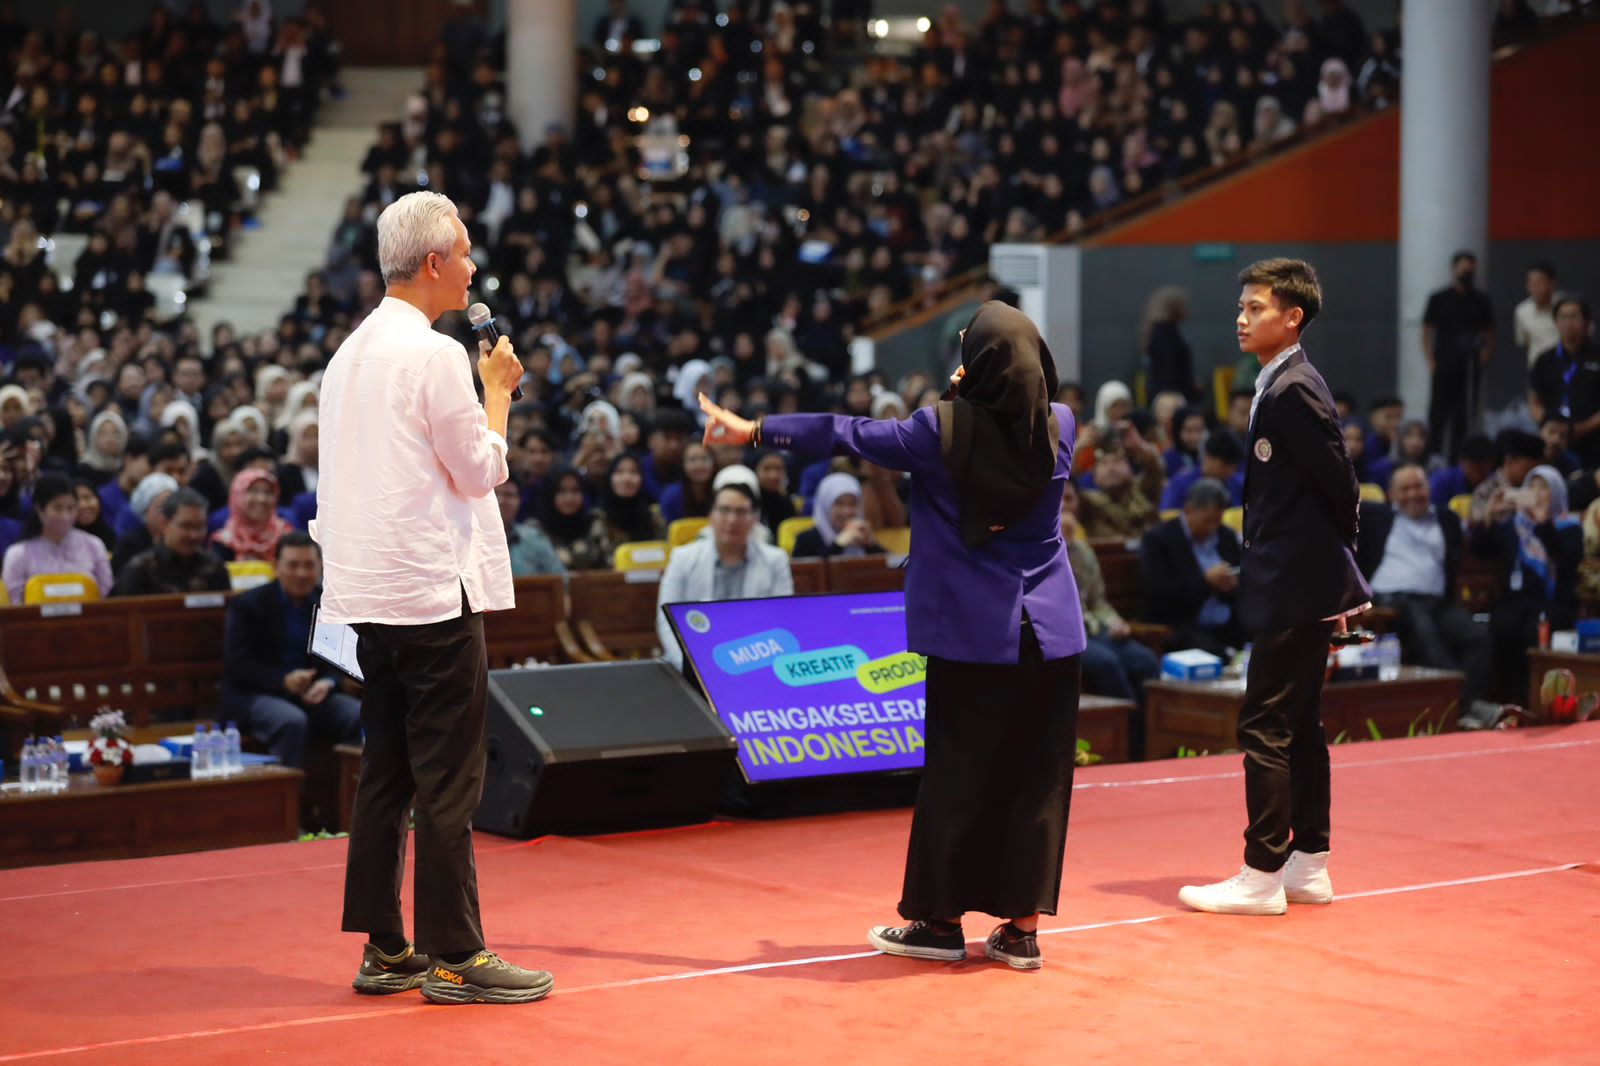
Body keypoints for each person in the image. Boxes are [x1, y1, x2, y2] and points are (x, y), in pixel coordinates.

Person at [703, 300, 1085, 972]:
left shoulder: (938, 431)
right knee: (1037, 780)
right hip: (1051, 633)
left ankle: (939, 923)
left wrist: (755, 429)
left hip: (974, 632)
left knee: (958, 777)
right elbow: (1007, 426)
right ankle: (1020, 931)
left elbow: (846, 433)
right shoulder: (1060, 424)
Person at [314, 191, 551, 1005]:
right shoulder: (436, 354)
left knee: (386, 772)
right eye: (466, 250)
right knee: (449, 780)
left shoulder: (346, 356)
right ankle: (456, 954)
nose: (476, 263)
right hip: (430, 593)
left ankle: (386, 947)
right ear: (435, 264)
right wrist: (500, 395)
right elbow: (479, 469)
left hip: (367, 593)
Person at [1180, 258, 1369, 916]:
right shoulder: (1279, 382)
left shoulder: (1294, 387)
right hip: (1296, 579)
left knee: (1264, 721)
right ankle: (1307, 864)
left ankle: (1261, 872)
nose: (1242, 316)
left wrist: (1333, 575)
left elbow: (1342, 486)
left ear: (1292, 317)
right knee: (1298, 722)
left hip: (1295, 583)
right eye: (1241, 306)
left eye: (1255, 307)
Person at [1356, 464, 1492, 723]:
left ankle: (1461, 706)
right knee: (1424, 629)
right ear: (1391, 495)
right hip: (1393, 598)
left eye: (1418, 486)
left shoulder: (1447, 518)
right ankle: (1460, 706)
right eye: (1404, 489)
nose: (1413, 494)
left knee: (1477, 636)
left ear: (1429, 488)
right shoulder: (1376, 517)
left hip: (1437, 601)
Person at [222, 533, 363, 770]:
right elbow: (238, 664)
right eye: (293, 565)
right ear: (276, 567)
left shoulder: (328, 603)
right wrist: (283, 681)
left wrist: (329, 682)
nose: (301, 573)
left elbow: (343, 660)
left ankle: (343, 796)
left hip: (313, 695)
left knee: (358, 714)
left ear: (320, 568)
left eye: (309, 565)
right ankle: (289, 801)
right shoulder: (248, 605)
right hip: (258, 695)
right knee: (291, 721)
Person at [1061, 479, 1159, 752]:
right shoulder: (1037, 550)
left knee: (1144, 660)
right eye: (1057, 499)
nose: (1063, 506)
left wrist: (1115, 622)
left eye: (1069, 499)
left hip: (1094, 628)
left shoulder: (1083, 550)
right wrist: (1059, 550)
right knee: (1107, 663)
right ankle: (1129, 740)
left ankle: (1151, 738)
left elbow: (1098, 601)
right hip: (1064, 632)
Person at [1471, 464, 1581, 704]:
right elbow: (1481, 550)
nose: (1536, 492)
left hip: (1554, 603)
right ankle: (1508, 700)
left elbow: (1565, 559)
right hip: (1516, 600)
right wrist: (1489, 516)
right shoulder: (1515, 525)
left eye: (1544, 487)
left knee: (1533, 630)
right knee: (1503, 625)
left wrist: (1544, 524)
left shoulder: (1569, 527)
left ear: (1557, 493)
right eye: (1532, 486)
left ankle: (1534, 700)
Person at [654, 482, 794, 669]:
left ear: (754, 518)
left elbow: (781, 619)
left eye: (741, 512)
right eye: (724, 510)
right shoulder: (683, 558)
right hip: (694, 661)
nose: (732, 520)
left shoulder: (775, 560)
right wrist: (689, 665)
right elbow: (666, 621)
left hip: (757, 661)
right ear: (711, 515)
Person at [1141, 478, 1245, 656]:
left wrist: (1232, 584)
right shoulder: (1159, 540)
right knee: (1214, 651)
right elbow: (1159, 595)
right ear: (1188, 510)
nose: (1213, 528)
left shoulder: (1226, 535)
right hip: (1182, 624)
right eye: (1207, 520)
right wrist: (1206, 582)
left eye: (1217, 521)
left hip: (1228, 620)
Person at [1422, 251, 1495, 462]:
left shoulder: (1481, 300)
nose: (1466, 273)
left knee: (1463, 417)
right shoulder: (1439, 298)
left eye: (1470, 269)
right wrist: (1430, 358)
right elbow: (1427, 329)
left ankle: (1457, 458)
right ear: (1454, 269)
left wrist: (1486, 353)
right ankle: (1434, 456)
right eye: (1463, 268)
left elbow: (1489, 331)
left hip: (1469, 366)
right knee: (1437, 413)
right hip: (1443, 364)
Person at [2, 474, 115, 603]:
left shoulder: (93, 545)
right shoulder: (18, 554)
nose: (65, 516)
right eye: (57, 508)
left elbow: (106, 594)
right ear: (40, 509)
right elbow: (15, 604)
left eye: (71, 508)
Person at [111, 489, 231, 596]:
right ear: (164, 524)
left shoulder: (214, 567)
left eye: (200, 527)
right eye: (186, 526)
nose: (194, 535)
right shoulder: (141, 570)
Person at [1527, 296, 1600, 468]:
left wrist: (1581, 428)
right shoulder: (1544, 360)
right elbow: (1534, 401)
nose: (1568, 323)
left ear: (1586, 322)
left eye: (1573, 317)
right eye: (1562, 317)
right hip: (1553, 440)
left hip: (1592, 438)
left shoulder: (1597, 356)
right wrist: (1548, 426)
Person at [792, 471, 885, 558]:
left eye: (853, 504)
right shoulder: (805, 540)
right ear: (825, 505)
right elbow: (809, 572)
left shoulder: (862, 537)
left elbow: (892, 569)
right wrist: (839, 544)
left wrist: (871, 544)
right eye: (839, 503)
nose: (847, 511)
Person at [211, 468, 294, 562]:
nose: (262, 499)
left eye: (268, 492)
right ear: (237, 495)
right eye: (253, 491)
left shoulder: (286, 537)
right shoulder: (224, 542)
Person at [494, 477, 566, 577]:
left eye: (509, 495)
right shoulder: (471, 538)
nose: (501, 501)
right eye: (494, 494)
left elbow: (561, 579)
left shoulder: (534, 538)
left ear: (519, 501)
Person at [1160, 429, 1244, 509]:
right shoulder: (1180, 484)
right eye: (1226, 466)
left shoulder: (1237, 484)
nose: (1231, 471)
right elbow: (1168, 515)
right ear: (1210, 457)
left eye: (1234, 467)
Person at [1513, 262, 1559, 367]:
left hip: (1565, 368)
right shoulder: (1522, 311)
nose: (1535, 288)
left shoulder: (1566, 307)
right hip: (1536, 368)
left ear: (1552, 284)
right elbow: (1525, 342)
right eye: (1531, 283)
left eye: (1539, 283)